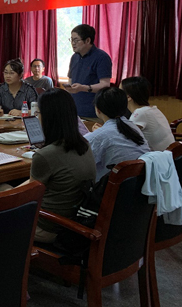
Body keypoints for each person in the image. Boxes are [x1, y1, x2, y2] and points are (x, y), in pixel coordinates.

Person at [20, 89, 95, 243]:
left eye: (38, 113)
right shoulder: (84, 144)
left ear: (48, 117)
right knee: (2, 189)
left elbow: (28, 196)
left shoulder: (45, 155)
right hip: (76, 220)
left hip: (48, 227)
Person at [85, 87, 150, 181]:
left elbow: (81, 164)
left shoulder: (99, 136)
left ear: (98, 109)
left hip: (111, 186)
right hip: (138, 183)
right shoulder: (133, 127)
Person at [66, 24, 112, 120]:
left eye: (76, 40)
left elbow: (105, 85)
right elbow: (70, 80)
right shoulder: (74, 57)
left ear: (87, 40)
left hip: (94, 112)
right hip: (74, 110)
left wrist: (83, 88)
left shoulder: (102, 57)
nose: (73, 43)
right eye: (71, 40)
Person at [120, 76, 174, 151]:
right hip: (171, 154)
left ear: (129, 97)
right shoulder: (152, 109)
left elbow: (124, 139)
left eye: (119, 92)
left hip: (160, 156)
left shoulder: (140, 113)